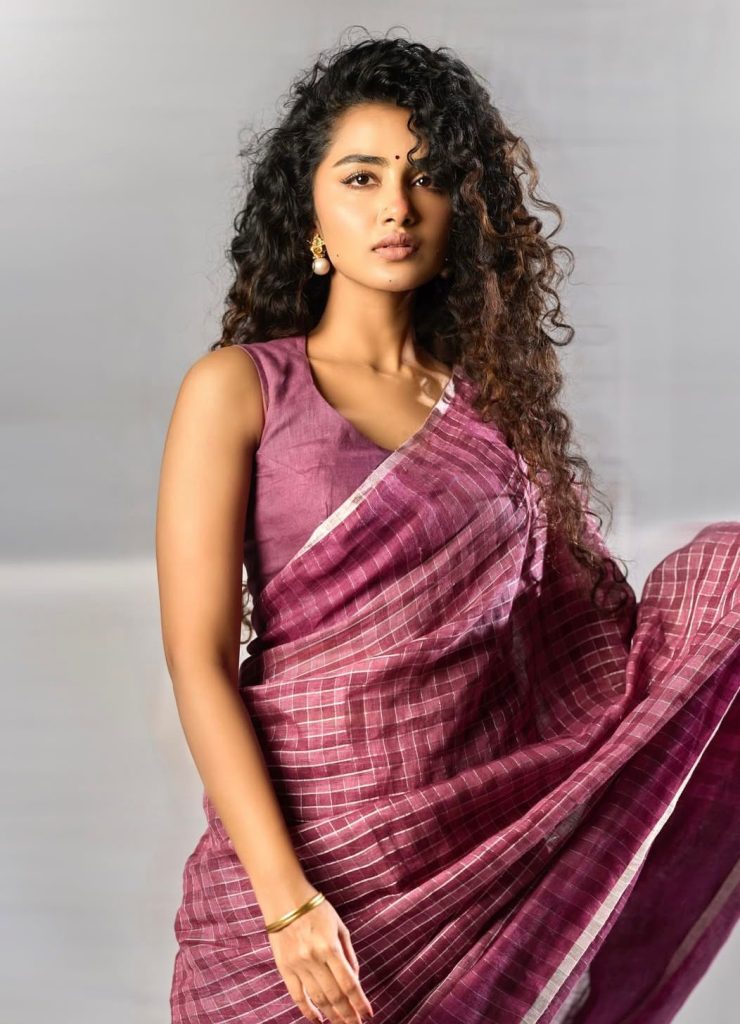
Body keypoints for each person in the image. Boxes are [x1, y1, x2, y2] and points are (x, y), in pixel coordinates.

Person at [155, 31, 740, 1024]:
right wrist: (289, 904)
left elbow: (575, 648)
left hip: (473, 864)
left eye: (425, 178)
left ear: (460, 208)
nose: (395, 205)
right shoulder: (240, 389)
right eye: (361, 177)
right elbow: (198, 660)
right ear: (309, 207)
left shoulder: (494, 416)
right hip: (301, 874)